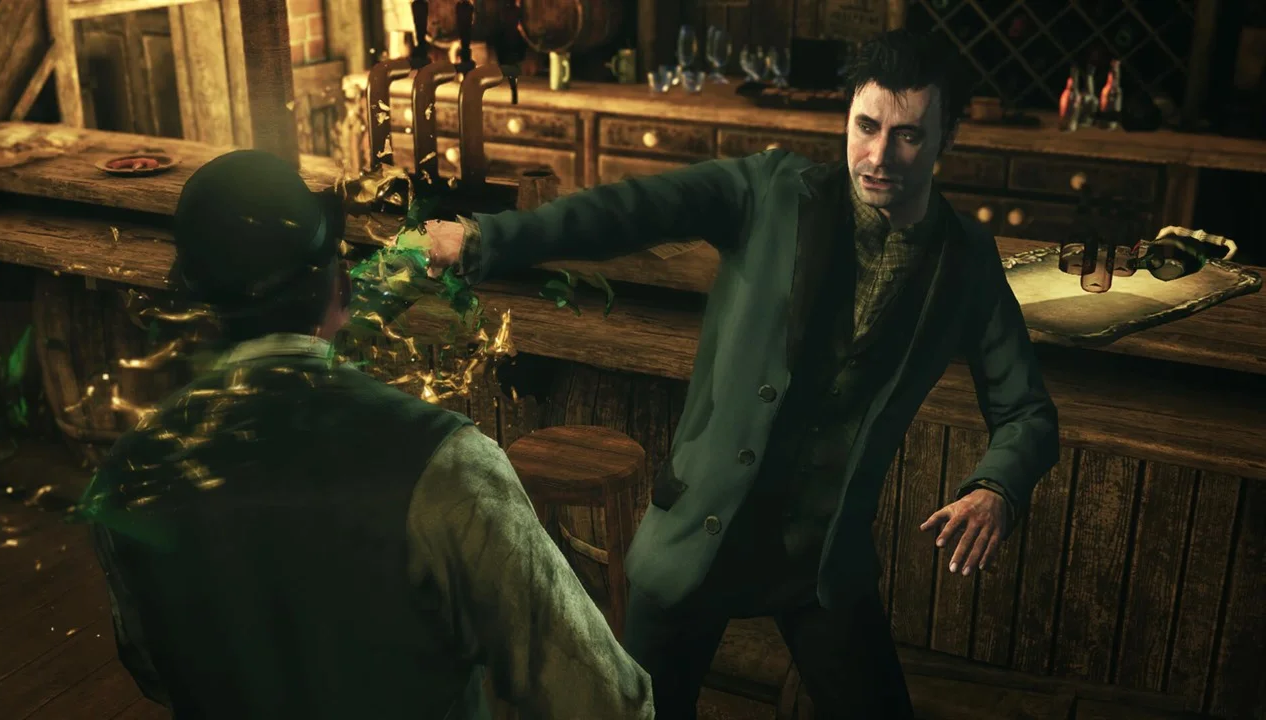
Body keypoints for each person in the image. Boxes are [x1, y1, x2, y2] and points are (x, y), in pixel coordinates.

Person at [422, 29, 1060, 719]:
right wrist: (485, 238)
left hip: (820, 554)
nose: (878, 156)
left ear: (946, 138)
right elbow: (625, 211)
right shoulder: (770, 190)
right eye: (866, 127)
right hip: (701, 528)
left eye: (907, 136)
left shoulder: (965, 260)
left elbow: (1026, 409)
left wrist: (996, 487)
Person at [82, 150, 654, 719]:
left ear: (196, 304)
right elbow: (605, 701)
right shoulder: (449, 464)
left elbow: (152, 666)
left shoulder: (128, 470)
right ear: (339, 289)